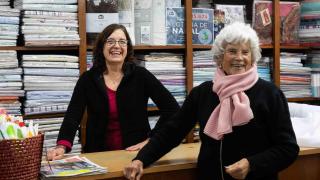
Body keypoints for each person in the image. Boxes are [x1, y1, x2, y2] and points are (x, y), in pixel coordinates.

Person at [123, 22, 299, 180]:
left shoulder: (270, 94)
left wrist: (251, 164)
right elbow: (172, 132)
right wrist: (141, 159)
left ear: (252, 58)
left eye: (245, 52)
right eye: (232, 51)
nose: (239, 57)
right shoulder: (203, 93)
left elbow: (288, 148)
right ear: (220, 57)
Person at [47, 24, 180, 160]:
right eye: (110, 41)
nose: (116, 46)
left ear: (127, 48)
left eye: (122, 42)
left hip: (135, 156)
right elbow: (72, 116)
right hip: (98, 156)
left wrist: (151, 139)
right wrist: (61, 146)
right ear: (101, 47)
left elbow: (172, 109)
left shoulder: (141, 76)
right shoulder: (88, 79)